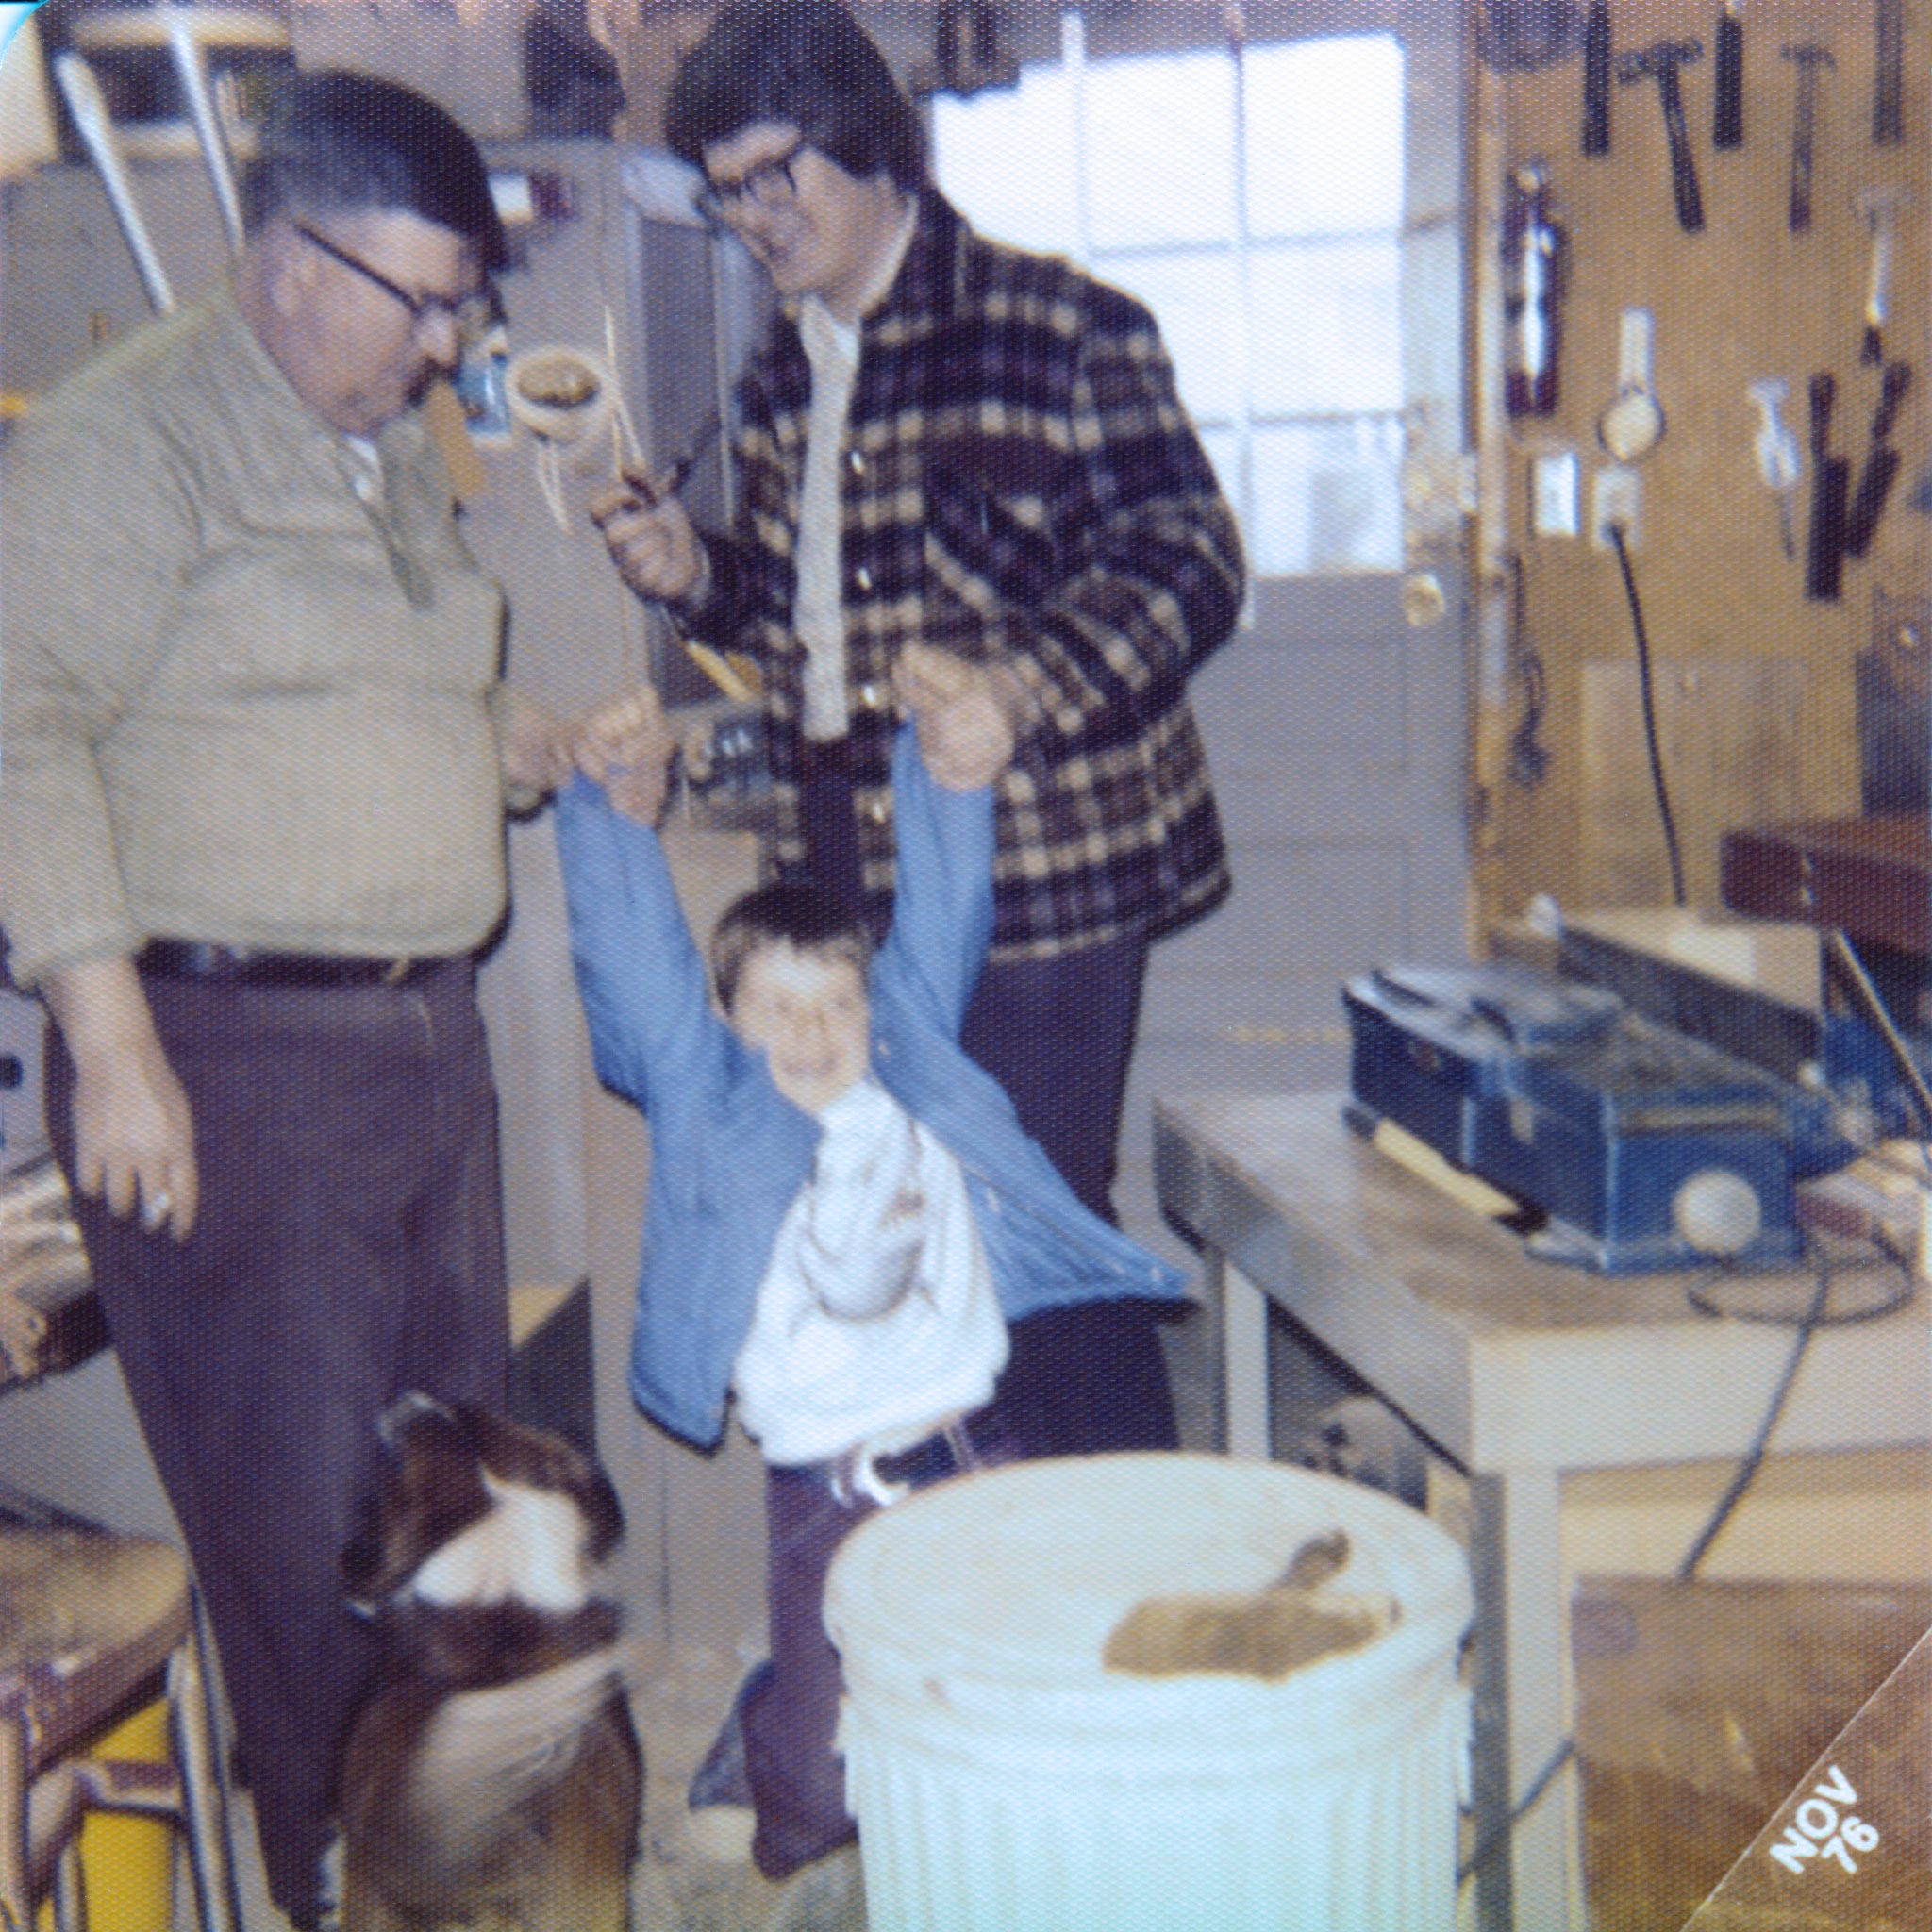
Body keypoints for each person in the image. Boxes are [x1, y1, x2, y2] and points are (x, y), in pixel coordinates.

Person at [0, 72, 658, 1930]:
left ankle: (465, 1889)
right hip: (229, 1066)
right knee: (314, 1561)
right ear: (289, 262)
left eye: (465, 304)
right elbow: (18, 723)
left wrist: (519, 748)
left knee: (450, 1541)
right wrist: (113, 1042)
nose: (452, 343)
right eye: (420, 298)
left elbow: (394, 690)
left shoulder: (375, 439)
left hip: (412, 1053)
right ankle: (331, 1893)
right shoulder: (126, 446)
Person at [591, 0, 1243, 1458]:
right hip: (842, 861)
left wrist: (1022, 685)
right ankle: (975, 1561)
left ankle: (1119, 1562)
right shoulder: (781, 372)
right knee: (908, 1209)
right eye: (727, 190)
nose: (753, 218)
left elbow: (1192, 559)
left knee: (1033, 1204)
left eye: (778, 175)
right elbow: (804, 620)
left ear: (871, 144)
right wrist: (708, 579)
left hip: (1044, 862)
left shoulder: (1060, 328)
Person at [555, 701, 1187, 1884]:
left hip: (976, 1433)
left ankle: (1001, 1842)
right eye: (776, 1005)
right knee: (826, 1752)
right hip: (830, 1480)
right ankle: (773, 1776)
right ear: (728, 1017)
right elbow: (639, 977)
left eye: (835, 999)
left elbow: (942, 916)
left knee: (1004, 1670)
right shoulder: (710, 1099)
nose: (812, 1030)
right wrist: (606, 818)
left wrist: (948, 781)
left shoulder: (905, 1057)